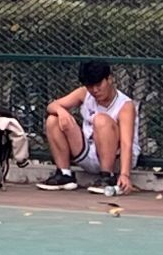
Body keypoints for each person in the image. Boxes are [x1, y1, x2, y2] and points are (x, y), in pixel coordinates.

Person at [38, 60, 136, 194]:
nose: (95, 90)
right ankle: (64, 174)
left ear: (109, 79)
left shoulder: (125, 105)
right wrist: (61, 112)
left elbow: (126, 143)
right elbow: (52, 106)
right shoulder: (84, 93)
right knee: (52, 120)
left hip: (116, 159)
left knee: (101, 120)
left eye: (98, 85)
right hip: (88, 153)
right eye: (90, 86)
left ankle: (108, 177)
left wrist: (125, 174)